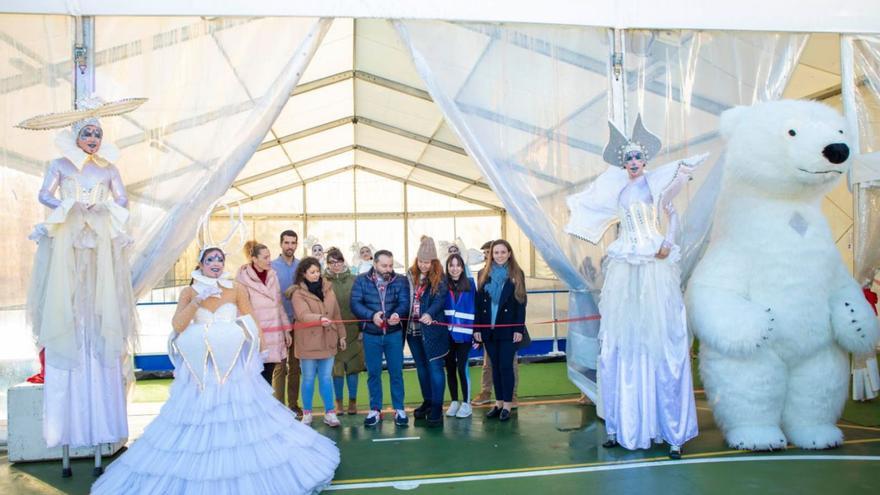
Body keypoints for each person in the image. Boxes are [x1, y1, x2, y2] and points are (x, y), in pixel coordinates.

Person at [91, 247, 339, 494]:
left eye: (220, 259)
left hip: (232, 368)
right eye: (210, 259)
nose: (216, 263)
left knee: (242, 419)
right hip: (201, 370)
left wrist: (261, 347)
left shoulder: (235, 289)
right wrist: (197, 300)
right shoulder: (189, 291)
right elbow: (178, 324)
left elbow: (250, 318)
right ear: (200, 263)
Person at [565, 115, 704, 459]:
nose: (633, 163)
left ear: (646, 160)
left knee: (659, 336)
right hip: (627, 262)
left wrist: (668, 244)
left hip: (652, 261)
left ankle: (669, 428)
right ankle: (623, 423)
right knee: (621, 339)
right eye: (627, 159)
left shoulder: (657, 185)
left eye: (637, 158)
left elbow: (671, 213)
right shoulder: (620, 190)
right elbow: (600, 209)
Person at [21, 96, 143, 477]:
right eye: (87, 132)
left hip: (99, 242)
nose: (92, 138)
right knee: (66, 308)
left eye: (97, 133)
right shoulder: (59, 164)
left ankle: (101, 429)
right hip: (69, 239)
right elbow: (44, 193)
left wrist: (104, 208)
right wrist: (68, 206)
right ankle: (67, 433)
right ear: (75, 135)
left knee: (101, 314)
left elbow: (123, 198)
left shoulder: (109, 168)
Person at [350, 249, 410, 427]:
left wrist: (397, 314)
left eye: (391, 265)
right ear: (374, 264)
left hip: (394, 335)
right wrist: (371, 315)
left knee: (396, 372)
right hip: (371, 335)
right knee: (373, 373)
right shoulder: (361, 280)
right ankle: (375, 409)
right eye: (384, 265)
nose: (388, 269)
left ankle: (399, 409)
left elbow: (405, 302)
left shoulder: (400, 280)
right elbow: (355, 303)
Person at [289, 257, 348, 427]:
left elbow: (336, 314)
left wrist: (341, 335)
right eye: (312, 272)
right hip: (308, 344)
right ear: (303, 274)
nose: (316, 275)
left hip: (328, 341)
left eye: (317, 271)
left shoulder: (329, 290)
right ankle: (307, 413)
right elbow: (302, 315)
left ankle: (330, 413)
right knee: (307, 379)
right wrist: (320, 318)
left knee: (326, 378)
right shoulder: (297, 293)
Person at [473, 239, 527, 422]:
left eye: (503, 252)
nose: (499, 256)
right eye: (496, 253)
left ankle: (508, 405)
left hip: (508, 330)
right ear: (491, 255)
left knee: (506, 366)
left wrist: (519, 328)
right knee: (494, 367)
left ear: (509, 253)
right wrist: (477, 329)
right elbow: (478, 304)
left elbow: (521, 302)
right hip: (489, 330)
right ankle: (498, 403)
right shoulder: (482, 274)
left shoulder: (517, 274)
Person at [236, 240, 291, 394]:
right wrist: (248, 333)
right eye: (265, 257)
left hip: (274, 336)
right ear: (254, 258)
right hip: (255, 336)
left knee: (268, 374)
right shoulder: (241, 278)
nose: (269, 260)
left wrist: (286, 329)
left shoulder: (273, 275)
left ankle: (266, 411)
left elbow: (279, 304)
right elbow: (240, 309)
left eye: (269, 257)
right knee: (255, 378)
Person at [406, 236, 449, 426]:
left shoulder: (440, 278)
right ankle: (428, 401)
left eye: (427, 262)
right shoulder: (409, 275)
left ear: (434, 262)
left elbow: (440, 300)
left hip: (432, 331)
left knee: (435, 368)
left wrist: (430, 314)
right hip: (413, 330)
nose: (423, 265)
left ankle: (438, 408)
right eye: (421, 261)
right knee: (422, 368)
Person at [324, 247, 365, 415]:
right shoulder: (322, 281)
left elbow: (363, 303)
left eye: (339, 261)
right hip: (332, 331)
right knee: (337, 369)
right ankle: (338, 403)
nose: (336, 265)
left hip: (354, 331)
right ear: (327, 264)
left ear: (343, 261)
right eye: (332, 262)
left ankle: (353, 402)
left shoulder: (355, 280)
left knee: (353, 368)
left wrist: (363, 327)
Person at [271, 230, 302, 416]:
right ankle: (278, 406)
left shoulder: (301, 266)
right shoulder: (272, 266)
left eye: (293, 243)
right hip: (277, 324)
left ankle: (293, 404)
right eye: (287, 242)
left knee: (295, 366)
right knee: (279, 366)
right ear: (281, 244)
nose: (290, 246)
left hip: (299, 322)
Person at [444, 253, 476, 418]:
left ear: (463, 267)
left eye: (458, 265)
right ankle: (455, 401)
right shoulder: (443, 284)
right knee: (449, 368)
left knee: (462, 368)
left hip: (465, 335)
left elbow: (476, 308)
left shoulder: (470, 284)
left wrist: (477, 333)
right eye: (451, 265)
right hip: (447, 335)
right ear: (447, 267)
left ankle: (466, 403)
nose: (454, 268)